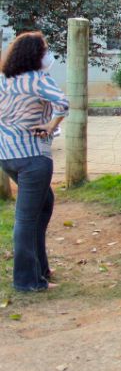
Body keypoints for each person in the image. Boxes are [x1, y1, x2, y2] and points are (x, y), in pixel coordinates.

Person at [0, 31, 69, 292]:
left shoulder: (4, 81)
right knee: (26, 219)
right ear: (35, 54)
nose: (48, 55)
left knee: (44, 204)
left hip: (8, 157)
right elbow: (63, 103)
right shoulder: (38, 80)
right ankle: (27, 281)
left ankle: (41, 268)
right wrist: (51, 126)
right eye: (45, 50)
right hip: (33, 157)